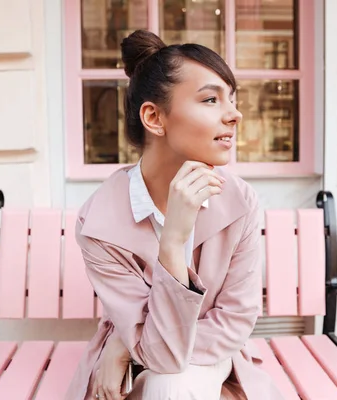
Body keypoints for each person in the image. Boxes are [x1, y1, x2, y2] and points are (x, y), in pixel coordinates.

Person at [65, 30, 284, 400]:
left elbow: (233, 322)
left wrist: (125, 345)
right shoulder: (99, 223)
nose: (234, 114)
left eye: (232, 99)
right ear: (154, 117)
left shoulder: (240, 201)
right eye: (212, 99)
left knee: (171, 386)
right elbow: (159, 353)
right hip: (142, 369)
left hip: (216, 355)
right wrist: (173, 242)